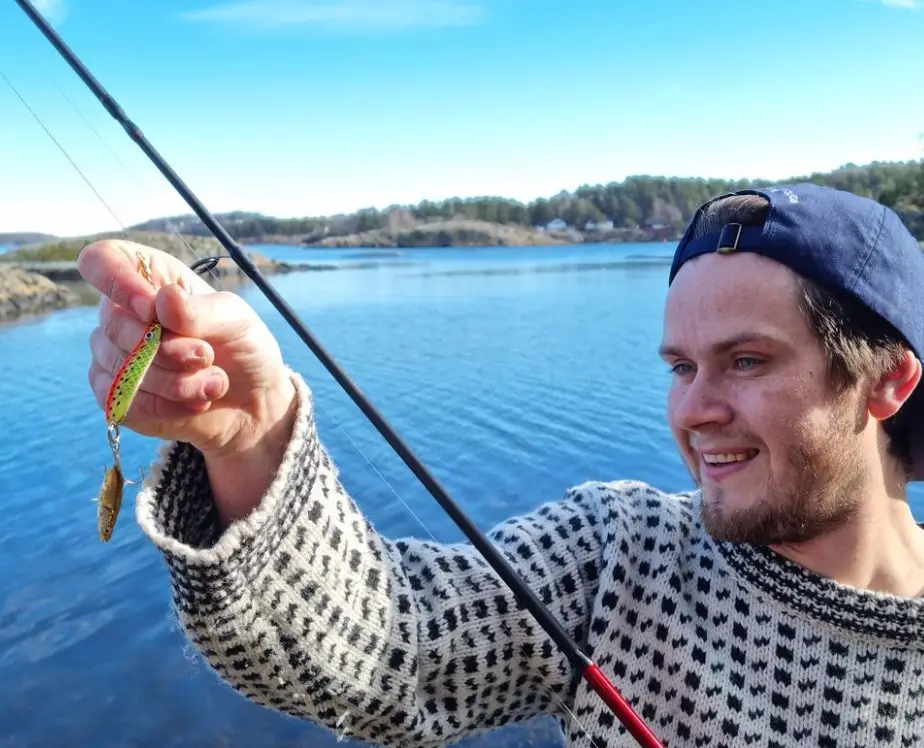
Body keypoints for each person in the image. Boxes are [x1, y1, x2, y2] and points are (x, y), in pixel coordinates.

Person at [78, 183, 924, 748]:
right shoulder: (621, 554)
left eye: (746, 361)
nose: (694, 410)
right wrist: (249, 433)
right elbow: (390, 648)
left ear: (887, 380)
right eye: (680, 367)